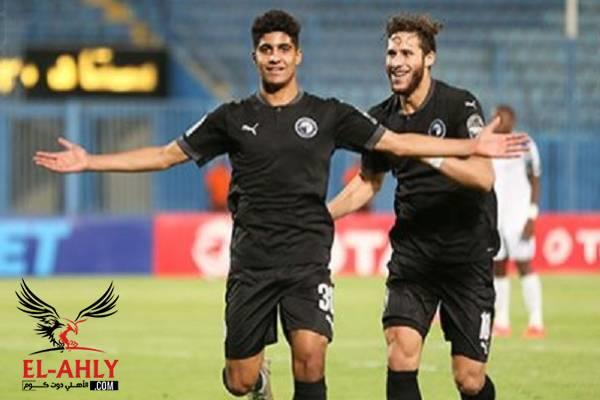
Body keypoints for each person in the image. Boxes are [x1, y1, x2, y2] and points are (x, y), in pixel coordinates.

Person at [34, 10, 525, 400]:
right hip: (257, 262)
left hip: (326, 261)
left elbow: (404, 146)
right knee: (241, 379)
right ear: (255, 57)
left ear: (298, 55)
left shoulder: (335, 113)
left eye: (284, 48)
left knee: (324, 358)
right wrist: (90, 161)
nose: (275, 57)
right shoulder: (231, 118)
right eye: (267, 49)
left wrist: (470, 146)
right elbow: (165, 155)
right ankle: (257, 383)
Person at [328, 14, 512, 400]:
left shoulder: (459, 105)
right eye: (391, 53)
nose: (396, 62)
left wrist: (424, 150)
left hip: (467, 257)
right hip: (414, 256)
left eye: (406, 53)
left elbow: (483, 177)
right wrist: (322, 215)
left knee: (469, 380)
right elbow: (369, 182)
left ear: (429, 59)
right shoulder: (380, 119)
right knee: (400, 353)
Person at [491, 105, 544, 339]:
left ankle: (536, 321)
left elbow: (535, 178)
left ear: (512, 120)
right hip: (496, 217)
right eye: (495, 117)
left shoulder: (525, 143)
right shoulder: (489, 144)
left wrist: (532, 214)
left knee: (524, 264)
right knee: (498, 267)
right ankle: (501, 321)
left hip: (519, 216)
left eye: (501, 117)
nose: (497, 121)